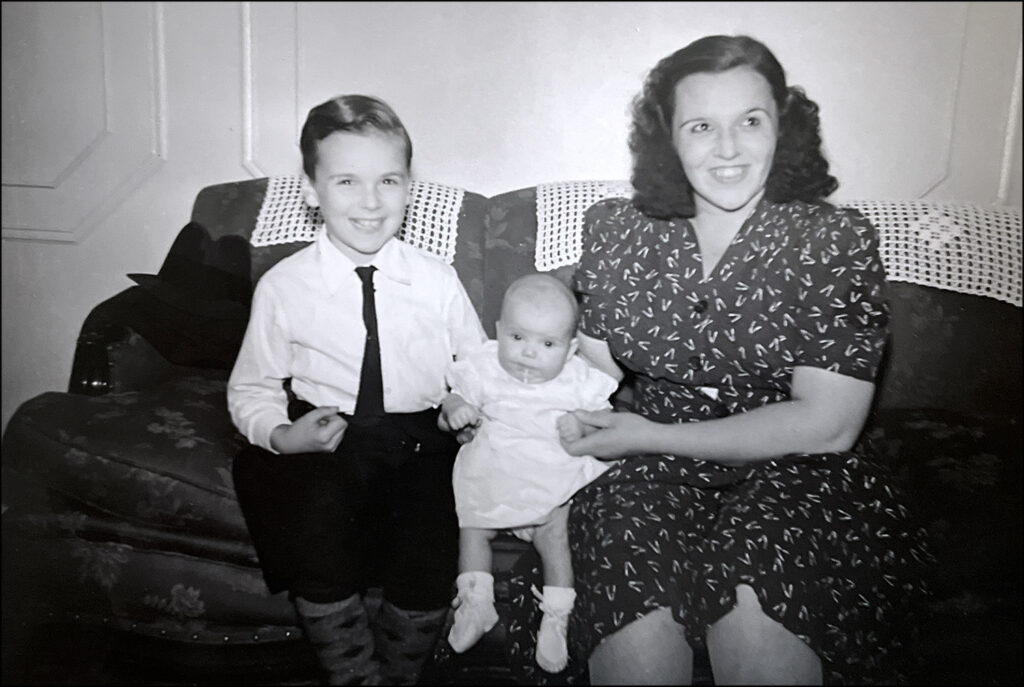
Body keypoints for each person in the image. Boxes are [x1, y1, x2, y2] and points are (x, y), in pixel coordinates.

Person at [502, 35, 932, 684]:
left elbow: (828, 423)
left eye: (750, 122)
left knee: (758, 620)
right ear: (668, 138)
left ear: (782, 129)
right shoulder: (619, 230)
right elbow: (588, 372)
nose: (727, 149)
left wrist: (650, 433)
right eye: (701, 126)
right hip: (646, 468)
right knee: (635, 637)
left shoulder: (833, 239)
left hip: (798, 467)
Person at [227, 94, 487, 685]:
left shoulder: (435, 280)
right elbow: (253, 387)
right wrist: (283, 434)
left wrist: (462, 402)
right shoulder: (284, 286)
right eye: (347, 181)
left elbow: (474, 363)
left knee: (431, 538)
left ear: (408, 187)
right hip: (326, 431)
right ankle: (351, 673)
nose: (370, 203)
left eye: (388, 181)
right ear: (312, 190)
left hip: (421, 434)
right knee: (313, 522)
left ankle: (397, 674)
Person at [439, 273, 619, 673]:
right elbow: (454, 397)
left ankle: (556, 616)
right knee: (472, 526)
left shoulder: (578, 378)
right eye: (517, 338)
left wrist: (585, 425)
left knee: (555, 533)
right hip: (495, 468)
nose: (528, 354)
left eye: (548, 344)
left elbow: (608, 419)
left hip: (549, 475)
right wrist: (456, 411)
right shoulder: (485, 364)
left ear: (571, 349)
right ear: (498, 331)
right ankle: (476, 601)